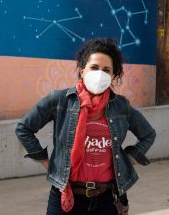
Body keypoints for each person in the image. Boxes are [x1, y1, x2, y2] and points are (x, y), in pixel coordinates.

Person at [15, 38, 156, 215]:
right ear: (82, 71)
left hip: (108, 198)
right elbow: (23, 128)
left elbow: (148, 134)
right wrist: (47, 163)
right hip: (66, 194)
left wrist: (127, 160)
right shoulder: (59, 100)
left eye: (106, 70)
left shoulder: (121, 106)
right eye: (94, 67)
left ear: (113, 76)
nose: (100, 74)